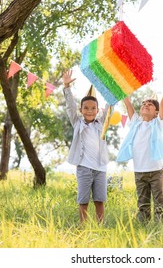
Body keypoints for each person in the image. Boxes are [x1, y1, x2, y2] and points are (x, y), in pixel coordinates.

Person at [117, 73, 163, 223]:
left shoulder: (157, 124)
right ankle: (143, 228)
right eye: (144, 103)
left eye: (150, 105)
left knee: (160, 205)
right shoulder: (135, 122)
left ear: (156, 113)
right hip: (139, 172)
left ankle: (160, 230)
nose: (145, 105)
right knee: (143, 205)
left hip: (156, 171)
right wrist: (123, 86)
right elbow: (128, 103)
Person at [63, 69, 110, 225]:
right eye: (86, 108)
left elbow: (110, 106)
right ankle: (83, 226)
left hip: (100, 168)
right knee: (83, 200)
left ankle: (100, 227)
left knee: (99, 200)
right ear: (81, 110)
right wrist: (67, 87)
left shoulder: (101, 123)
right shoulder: (78, 123)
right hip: (84, 167)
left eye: (93, 108)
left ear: (98, 110)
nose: (89, 111)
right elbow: (70, 107)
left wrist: (109, 88)